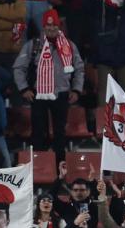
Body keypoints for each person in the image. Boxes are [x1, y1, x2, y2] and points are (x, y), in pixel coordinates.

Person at [13, 9, 84, 162]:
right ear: (43, 27)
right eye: (48, 26)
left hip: (62, 93)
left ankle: (60, 168)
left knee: (60, 133)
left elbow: (79, 68)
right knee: (38, 132)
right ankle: (39, 166)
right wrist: (24, 88)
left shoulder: (69, 45)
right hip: (38, 94)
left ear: (59, 27)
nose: (51, 29)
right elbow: (18, 67)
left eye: (54, 26)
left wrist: (77, 90)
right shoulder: (33, 45)